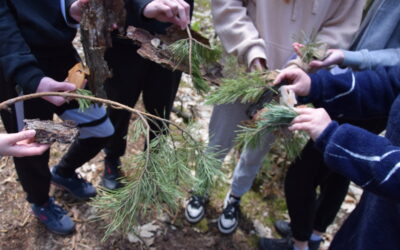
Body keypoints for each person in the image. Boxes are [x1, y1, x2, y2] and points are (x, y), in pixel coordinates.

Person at [184, 0, 365, 236]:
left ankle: (235, 197)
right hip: (241, 68)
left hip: (290, 84)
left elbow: (339, 27)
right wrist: (251, 51)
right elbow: (227, 4)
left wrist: (300, 64)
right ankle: (201, 189)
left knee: (258, 149)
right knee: (219, 137)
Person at [270, 1, 400, 249]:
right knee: (338, 173)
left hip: (389, 232)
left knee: (301, 176)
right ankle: (313, 234)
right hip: (372, 217)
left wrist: (336, 138)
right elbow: (390, 83)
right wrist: (316, 84)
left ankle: (300, 243)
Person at [0, 0, 115, 235]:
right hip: (21, 80)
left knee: (101, 128)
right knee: (35, 148)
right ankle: (40, 202)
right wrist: (31, 78)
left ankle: (63, 172)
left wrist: (69, 10)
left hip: (64, 65)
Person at [100, 0, 192, 189]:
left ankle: (153, 166)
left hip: (171, 38)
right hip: (125, 36)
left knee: (160, 110)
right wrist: (142, 5)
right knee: (118, 104)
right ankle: (112, 159)